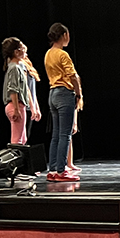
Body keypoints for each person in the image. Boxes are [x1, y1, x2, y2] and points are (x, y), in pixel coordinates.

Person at [44, 23, 82, 182]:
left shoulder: (48, 53)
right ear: (64, 35)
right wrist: (79, 94)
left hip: (52, 93)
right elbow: (73, 76)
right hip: (64, 93)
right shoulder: (62, 54)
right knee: (65, 134)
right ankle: (61, 171)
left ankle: (53, 169)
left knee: (56, 134)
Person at [1, 37, 31, 145]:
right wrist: (17, 109)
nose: (24, 49)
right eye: (22, 47)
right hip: (15, 105)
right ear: (16, 52)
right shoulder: (14, 68)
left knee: (22, 139)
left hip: (17, 105)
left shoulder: (15, 67)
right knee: (17, 140)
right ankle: (15, 160)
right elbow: (13, 89)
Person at [19, 44, 42, 142]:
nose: (26, 54)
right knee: (22, 136)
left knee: (27, 135)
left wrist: (37, 108)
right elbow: (26, 87)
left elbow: (33, 90)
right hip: (25, 105)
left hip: (30, 105)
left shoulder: (28, 66)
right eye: (24, 51)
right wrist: (32, 107)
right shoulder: (20, 65)